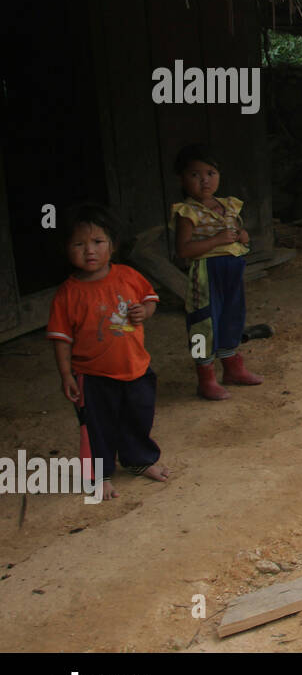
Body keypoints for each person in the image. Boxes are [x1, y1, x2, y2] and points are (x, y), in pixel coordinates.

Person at [46, 204, 168, 500]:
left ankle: (139, 460)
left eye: (98, 242)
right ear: (67, 250)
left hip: (136, 367)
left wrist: (144, 312)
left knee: (138, 417)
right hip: (93, 375)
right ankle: (97, 476)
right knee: (96, 427)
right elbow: (61, 339)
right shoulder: (68, 293)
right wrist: (67, 375)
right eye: (79, 244)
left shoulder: (128, 275)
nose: (90, 250)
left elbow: (150, 299)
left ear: (112, 246)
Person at [171, 144, 263, 400]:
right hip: (206, 273)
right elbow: (183, 250)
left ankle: (233, 368)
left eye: (210, 172)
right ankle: (206, 378)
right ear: (181, 178)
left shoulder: (228, 205)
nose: (205, 180)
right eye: (195, 175)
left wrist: (243, 237)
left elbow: (239, 237)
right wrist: (217, 240)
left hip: (232, 272)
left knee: (232, 316)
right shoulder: (187, 212)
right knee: (204, 321)